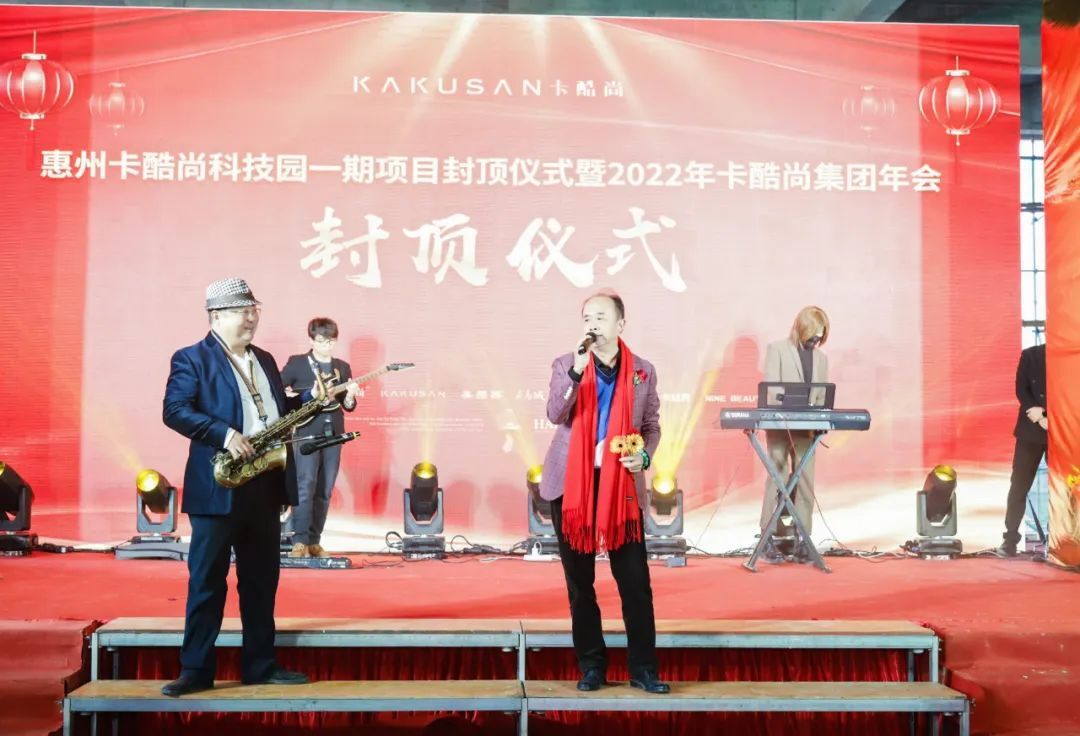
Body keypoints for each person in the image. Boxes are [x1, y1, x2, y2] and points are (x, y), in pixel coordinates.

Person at [160, 277, 308, 696]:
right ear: (216, 316)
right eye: (242, 311)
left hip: (264, 484)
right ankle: (195, 670)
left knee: (261, 582)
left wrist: (317, 398)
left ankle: (261, 665)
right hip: (218, 485)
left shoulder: (265, 358)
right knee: (207, 582)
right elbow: (175, 410)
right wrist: (224, 435)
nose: (251, 318)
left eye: (254, 310)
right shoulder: (192, 358)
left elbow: (278, 411)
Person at [538, 288, 669, 694]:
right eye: (587, 318)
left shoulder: (643, 370)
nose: (592, 324)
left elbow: (652, 426)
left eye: (600, 317)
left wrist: (643, 457)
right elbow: (555, 413)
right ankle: (592, 666)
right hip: (572, 485)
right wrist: (577, 373)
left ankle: (643, 669)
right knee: (581, 585)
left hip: (620, 485)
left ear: (620, 324)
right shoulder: (566, 364)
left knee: (635, 583)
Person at [280, 317, 359, 558]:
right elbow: (277, 391)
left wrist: (350, 395)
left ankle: (315, 541)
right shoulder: (297, 363)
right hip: (306, 432)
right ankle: (299, 541)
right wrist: (308, 395)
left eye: (332, 341)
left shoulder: (342, 367)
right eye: (323, 341)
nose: (327, 346)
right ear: (312, 340)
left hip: (334, 432)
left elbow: (348, 405)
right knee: (305, 485)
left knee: (325, 488)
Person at [760, 306, 830, 562]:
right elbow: (771, 390)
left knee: (806, 483)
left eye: (820, 337)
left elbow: (822, 395)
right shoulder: (777, 349)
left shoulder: (821, 359)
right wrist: (790, 406)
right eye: (813, 336)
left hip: (806, 430)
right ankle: (766, 538)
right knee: (776, 479)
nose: (816, 342)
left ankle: (804, 539)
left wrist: (819, 415)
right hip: (780, 428)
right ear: (802, 328)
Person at [1000, 343, 1048, 556]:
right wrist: (1038, 415)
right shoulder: (1031, 355)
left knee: (1065, 486)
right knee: (1019, 485)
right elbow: (1021, 388)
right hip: (1031, 430)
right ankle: (1010, 539)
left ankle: (1063, 538)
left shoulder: (1071, 355)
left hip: (1063, 430)